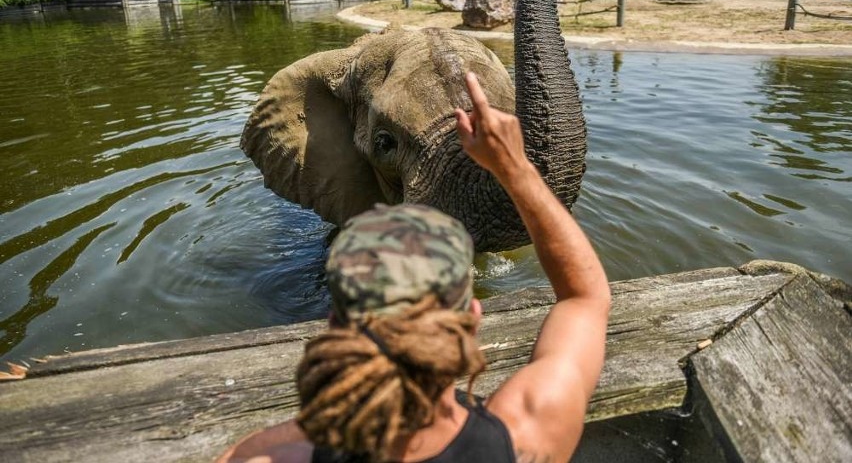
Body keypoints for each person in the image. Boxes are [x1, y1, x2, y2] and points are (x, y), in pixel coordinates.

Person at [218, 72, 610, 463]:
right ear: (473, 319)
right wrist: (516, 170)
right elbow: (585, 299)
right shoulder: (530, 432)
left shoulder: (271, 455)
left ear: (336, 323)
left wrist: (325, 419)